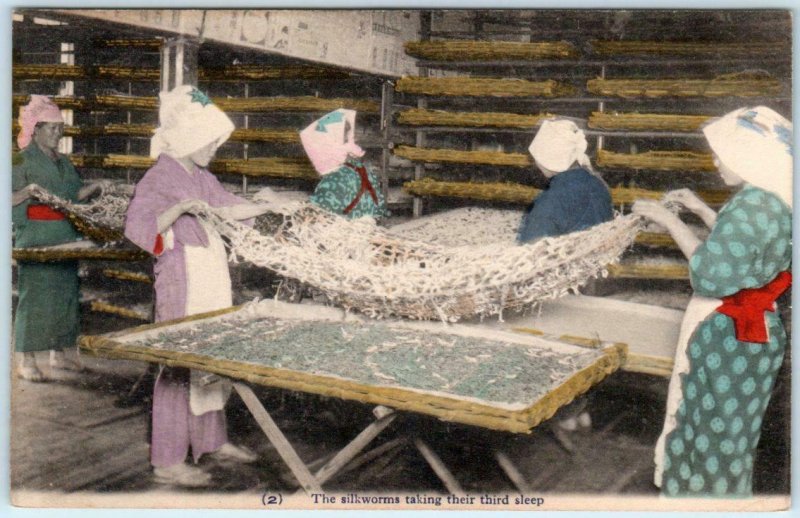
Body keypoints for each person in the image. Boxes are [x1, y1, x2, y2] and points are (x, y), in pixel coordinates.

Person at [632, 106, 792, 497]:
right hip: (759, 331)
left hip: (727, 334)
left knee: (708, 436)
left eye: (726, 153)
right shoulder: (772, 197)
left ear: (751, 157)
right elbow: (745, 254)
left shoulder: (751, 207)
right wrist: (703, 210)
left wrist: (670, 222)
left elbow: (712, 274)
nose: (716, 161)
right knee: (732, 433)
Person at [124, 85, 271, 487]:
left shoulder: (201, 176)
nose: (214, 148)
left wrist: (268, 204)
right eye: (208, 141)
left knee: (210, 360)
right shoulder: (159, 177)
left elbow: (228, 207)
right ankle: (168, 459)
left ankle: (211, 441)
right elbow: (138, 227)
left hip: (210, 275)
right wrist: (179, 208)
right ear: (187, 136)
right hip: (181, 279)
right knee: (177, 364)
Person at [517, 118, 613, 434]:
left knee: (556, 347)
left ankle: (561, 413)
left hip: (560, 285)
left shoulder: (552, 199)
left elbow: (532, 252)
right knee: (586, 345)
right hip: (591, 277)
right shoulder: (597, 184)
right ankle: (580, 408)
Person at [12, 95, 107, 381]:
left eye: (60, 127)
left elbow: (71, 195)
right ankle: (25, 358)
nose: (57, 133)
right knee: (36, 297)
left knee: (65, 295)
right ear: (36, 128)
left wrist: (96, 187)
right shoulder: (19, 159)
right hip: (36, 236)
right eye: (51, 127)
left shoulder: (64, 162)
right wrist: (29, 191)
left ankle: (59, 353)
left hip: (67, 235)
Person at [301, 108, 388, 219]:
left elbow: (318, 215)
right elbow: (380, 208)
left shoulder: (332, 180)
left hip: (344, 234)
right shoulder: (366, 171)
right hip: (367, 231)